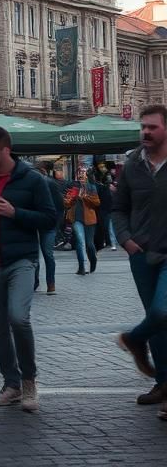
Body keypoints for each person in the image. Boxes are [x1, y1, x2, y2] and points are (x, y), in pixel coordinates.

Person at [0, 125, 57, 413]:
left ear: (5, 151)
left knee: (18, 318)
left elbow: (50, 219)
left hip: (21, 260)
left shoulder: (32, 180)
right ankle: (10, 384)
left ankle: (29, 381)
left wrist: (15, 213)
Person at [112, 104, 167, 414]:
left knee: (161, 312)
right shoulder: (133, 163)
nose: (145, 132)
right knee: (157, 320)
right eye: (143, 127)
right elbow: (119, 207)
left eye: (152, 127)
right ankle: (162, 382)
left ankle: (133, 339)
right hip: (142, 253)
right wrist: (125, 239)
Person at [64, 164, 100, 276]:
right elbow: (66, 203)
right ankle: (81, 267)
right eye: (79, 173)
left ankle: (93, 260)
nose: (81, 175)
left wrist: (85, 197)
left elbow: (97, 203)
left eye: (83, 173)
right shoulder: (73, 187)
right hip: (76, 219)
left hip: (89, 219)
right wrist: (72, 198)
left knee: (89, 244)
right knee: (80, 242)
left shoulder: (91, 187)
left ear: (87, 175)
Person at [34, 165, 63, 294]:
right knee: (47, 254)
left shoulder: (47, 184)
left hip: (40, 224)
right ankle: (50, 284)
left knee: (38, 255)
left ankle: (38, 283)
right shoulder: (51, 183)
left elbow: (59, 206)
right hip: (47, 224)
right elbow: (60, 206)